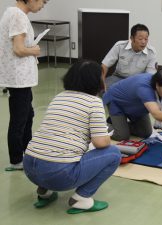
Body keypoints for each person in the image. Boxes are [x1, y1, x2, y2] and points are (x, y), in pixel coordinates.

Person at [23, 60, 121, 214]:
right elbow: (101, 142)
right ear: (97, 81)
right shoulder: (94, 102)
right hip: (57, 174)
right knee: (114, 154)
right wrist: (105, 136)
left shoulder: (59, 97)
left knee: (56, 148)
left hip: (29, 167)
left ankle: (44, 192)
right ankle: (82, 199)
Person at [0, 0, 49, 171]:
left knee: (27, 115)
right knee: (19, 120)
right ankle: (16, 160)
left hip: (19, 77)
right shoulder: (18, 15)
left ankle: (28, 151)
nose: (43, 5)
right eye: (43, 1)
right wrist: (34, 50)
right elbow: (19, 49)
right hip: (18, 78)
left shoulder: (12, 12)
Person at [103, 68, 162, 145]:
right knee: (122, 136)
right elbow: (156, 114)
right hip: (117, 102)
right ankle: (105, 125)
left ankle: (119, 123)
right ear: (157, 85)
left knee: (146, 132)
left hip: (137, 106)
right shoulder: (143, 87)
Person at [101, 23, 157, 91]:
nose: (143, 42)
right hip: (118, 78)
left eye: (146, 39)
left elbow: (150, 76)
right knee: (102, 89)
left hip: (138, 81)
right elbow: (105, 65)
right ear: (131, 38)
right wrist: (102, 82)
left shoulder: (151, 52)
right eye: (140, 39)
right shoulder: (120, 46)